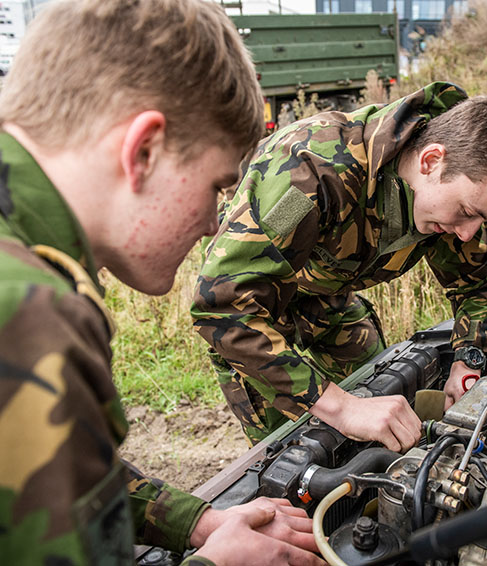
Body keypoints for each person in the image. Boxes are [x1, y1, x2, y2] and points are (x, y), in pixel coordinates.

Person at [0, 1, 326, 565]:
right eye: (217, 188)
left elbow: (42, 480)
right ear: (144, 150)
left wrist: (198, 522)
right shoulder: (32, 315)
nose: (210, 226)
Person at [191, 82, 487, 451]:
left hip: (328, 296)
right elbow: (222, 305)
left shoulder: (460, 193)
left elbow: (475, 284)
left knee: (386, 401)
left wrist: (467, 360)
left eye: (481, 219)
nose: (467, 233)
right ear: (431, 161)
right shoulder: (310, 174)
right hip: (255, 311)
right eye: (467, 214)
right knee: (291, 455)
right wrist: (341, 408)